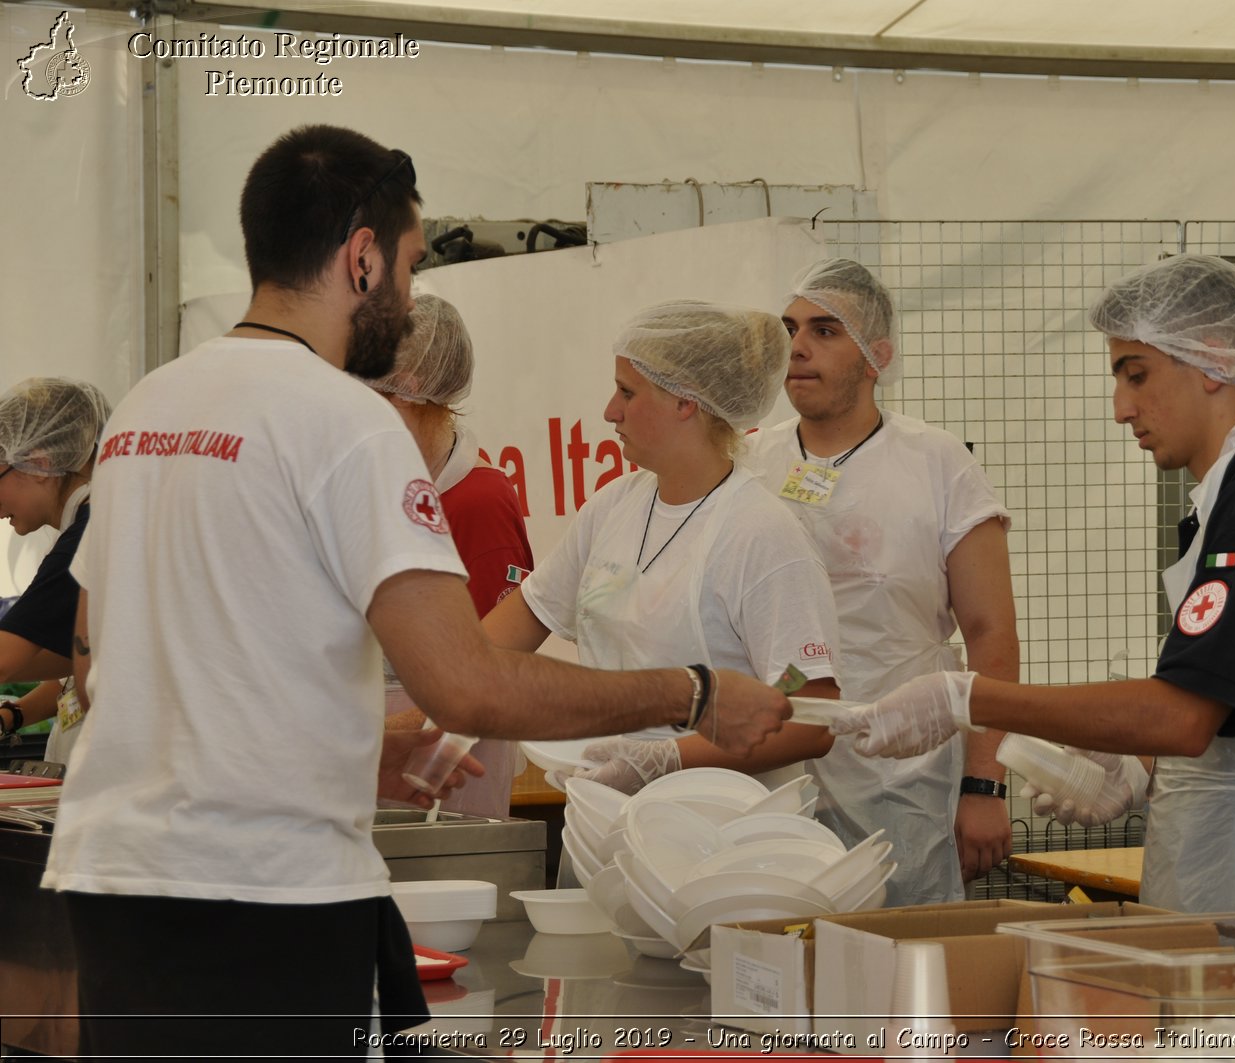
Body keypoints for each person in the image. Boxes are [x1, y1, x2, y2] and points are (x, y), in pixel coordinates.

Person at [42, 125, 790, 1059]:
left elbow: (99, 656)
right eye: (408, 262)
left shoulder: (151, 405)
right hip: (266, 891)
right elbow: (468, 683)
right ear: (362, 259)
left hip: (114, 882)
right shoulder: (346, 422)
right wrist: (697, 691)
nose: (409, 290)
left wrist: (348, 746)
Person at [829, 254, 1235, 914]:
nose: (1121, 408)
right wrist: (1142, 770)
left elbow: (1181, 715)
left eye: (1137, 375)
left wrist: (971, 697)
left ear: (1214, 360)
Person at [743, 259, 1020, 906]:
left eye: (826, 330)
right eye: (789, 329)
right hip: (774, 764)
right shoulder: (751, 459)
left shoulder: (936, 462)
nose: (798, 348)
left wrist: (985, 784)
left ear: (877, 356)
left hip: (901, 770)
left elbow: (992, 633)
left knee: (896, 971)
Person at [485, 300, 841, 795]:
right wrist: (437, 683)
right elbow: (521, 620)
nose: (610, 411)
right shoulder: (613, 509)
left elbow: (812, 714)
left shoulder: (761, 535)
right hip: (606, 819)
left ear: (685, 402)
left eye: (627, 392)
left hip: (719, 836)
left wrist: (664, 759)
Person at [370, 293, 535, 818]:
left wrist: (394, 737)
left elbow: (494, 670)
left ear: (407, 390)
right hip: (380, 755)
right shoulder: (385, 483)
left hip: (454, 769)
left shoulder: (477, 500)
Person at [0, 378, 109, 764]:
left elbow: (5, 658)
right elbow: (69, 654)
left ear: (39, 466)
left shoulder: (92, 529)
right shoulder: (95, 516)